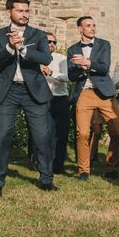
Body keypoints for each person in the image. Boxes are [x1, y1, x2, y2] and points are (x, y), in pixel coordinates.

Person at [0, 0, 56, 197]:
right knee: (1, 136)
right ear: (9, 12)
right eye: (20, 11)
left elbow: (46, 58)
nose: (25, 14)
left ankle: (46, 180)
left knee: (42, 137)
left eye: (27, 11)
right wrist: (10, 47)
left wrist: (23, 49)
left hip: (33, 91)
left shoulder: (38, 34)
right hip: (7, 92)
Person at [68, 16, 119, 181]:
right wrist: (83, 70)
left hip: (104, 93)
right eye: (88, 25)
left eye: (94, 25)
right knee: (82, 133)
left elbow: (104, 67)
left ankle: (110, 167)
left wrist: (88, 63)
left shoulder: (104, 44)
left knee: (117, 131)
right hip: (84, 93)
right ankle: (84, 170)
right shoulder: (72, 49)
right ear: (80, 29)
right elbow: (71, 74)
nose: (92, 28)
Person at [39, 32, 70, 174]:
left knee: (61, 133)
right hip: (42, 99)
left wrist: (51, 73)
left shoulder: (61, 58)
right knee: (44, 133)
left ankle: (58, 165)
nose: (52, 44)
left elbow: (67, 77)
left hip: (60, 98)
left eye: (54, 42)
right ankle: (43, 163)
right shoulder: (36, 58)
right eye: (48, 41)